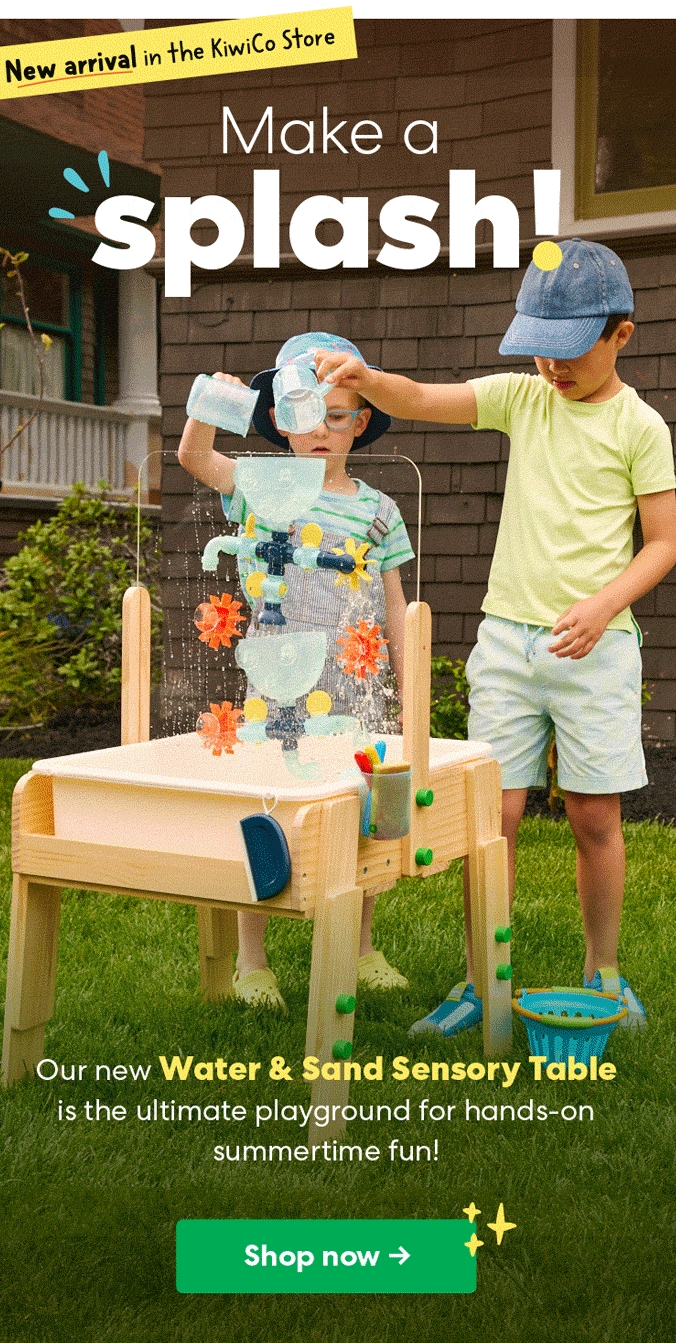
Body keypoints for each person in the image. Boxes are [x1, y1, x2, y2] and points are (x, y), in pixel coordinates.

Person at [315, 239, 676, 1036]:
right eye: (539, 350)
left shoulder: (641, 427)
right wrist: (369, 381)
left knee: (593, 818)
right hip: (508, 647)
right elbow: (420, 397)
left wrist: (600, 604)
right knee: (493, 820)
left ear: (621, 333)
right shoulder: (523, 399)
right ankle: (484, 975)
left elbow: (662, 543)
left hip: (597, 648)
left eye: (568, 350)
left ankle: (605, 972)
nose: (551, 368)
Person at [178, 332, 415, 1009]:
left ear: (362, 421)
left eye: (338, 414)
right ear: (280, 418)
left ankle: (362, 945)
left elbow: (396, 606)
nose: (321, 429)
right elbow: (194, 456)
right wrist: (213, 403)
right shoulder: (258, 486)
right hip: (277, 688)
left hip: (358, 689)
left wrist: (407, 685)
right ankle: (252, 960)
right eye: (306, 414)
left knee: (364, 814)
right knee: (269, 810)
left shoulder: (379, 510)